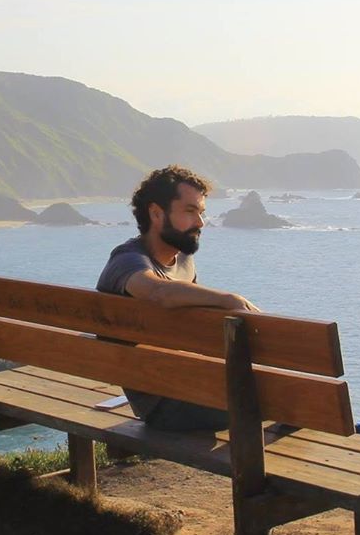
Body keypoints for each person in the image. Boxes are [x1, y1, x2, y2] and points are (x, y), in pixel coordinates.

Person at [96, 164, 259, 431]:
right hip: (163, 404)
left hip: (188, 383)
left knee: (283, 396)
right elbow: (158, 292)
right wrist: (229, 299)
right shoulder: (127, 261)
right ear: (157, 213)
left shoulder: (183, 260)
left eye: (201, 212)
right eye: (190, 211)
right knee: (286, 401)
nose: (200, 222)